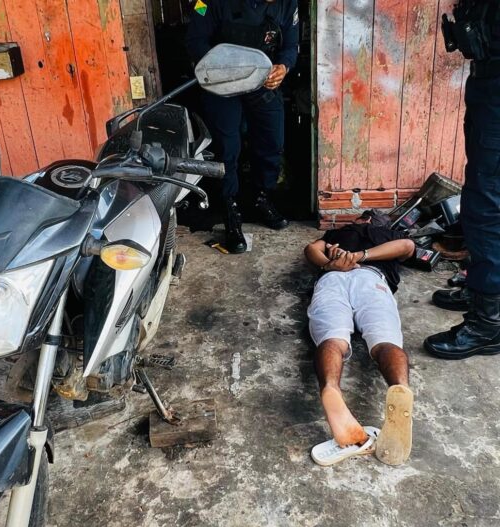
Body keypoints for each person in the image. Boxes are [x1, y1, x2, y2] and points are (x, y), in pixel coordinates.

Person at [303, 212, 416, 467]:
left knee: (332, 340)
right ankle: (400, 389)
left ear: (366, 221)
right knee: (385, 342)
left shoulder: (339, 236)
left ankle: (331, 387)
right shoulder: (384, 235)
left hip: (334, 280)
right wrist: (341, 261)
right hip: (370, 279)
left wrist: (340, 261)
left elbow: (312, 249)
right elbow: (407, 247)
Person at [186, 0, 299, 253]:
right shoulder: (208, 3)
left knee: (272, 143)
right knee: (228, 148)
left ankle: (261, 197)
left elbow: (291, 45)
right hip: (221, 85)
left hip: (264, 84)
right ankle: (230, 209)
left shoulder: (288, 4)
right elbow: (195, 41)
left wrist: (284, 66)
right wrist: (218, 70)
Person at [425, 1, 500, 358]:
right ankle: (480, 290)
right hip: (487, 76)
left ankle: (489, 324)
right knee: (478, 195)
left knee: (488, 204)